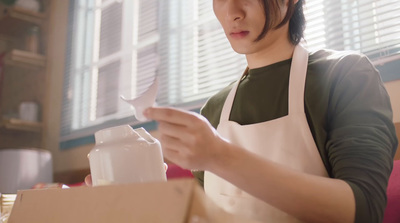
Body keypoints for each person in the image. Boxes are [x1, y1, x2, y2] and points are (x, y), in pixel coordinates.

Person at [143, 0, 398, 222]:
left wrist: (220, 156)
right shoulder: (214, 109)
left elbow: (364, 211)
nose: (232, 12)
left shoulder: (345, 75)